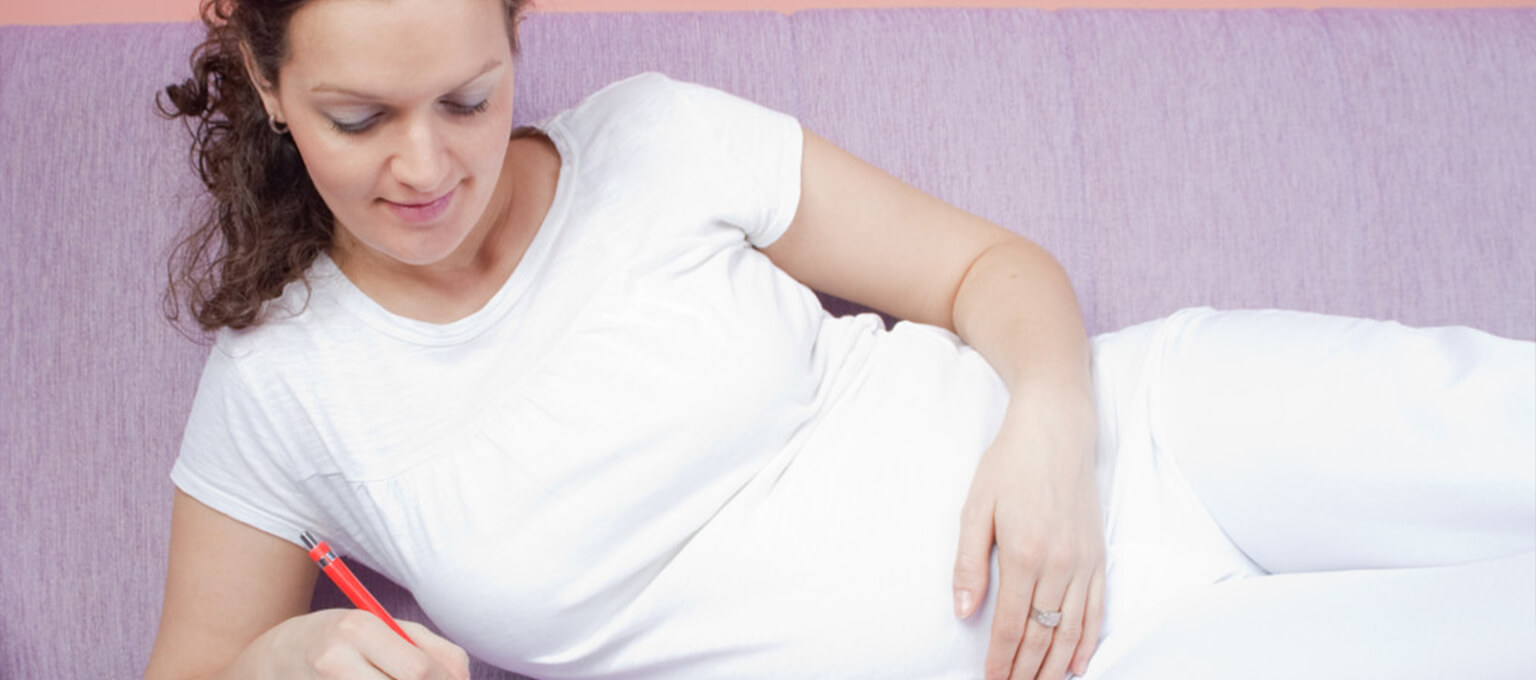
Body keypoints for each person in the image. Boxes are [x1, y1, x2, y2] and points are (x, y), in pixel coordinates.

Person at [142, 0, 1536, 678]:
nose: (432, 166)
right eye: (360, 118)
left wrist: (1052, 420)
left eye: (468, 96)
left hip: (1151, 427)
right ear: (266, 80)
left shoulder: (658, 136)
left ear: (517, 39)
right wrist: (281, 664)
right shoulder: (284, 387)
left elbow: (990, 267)